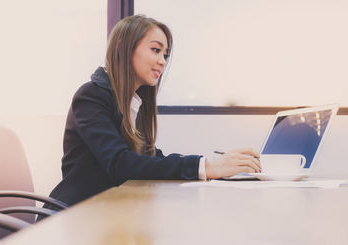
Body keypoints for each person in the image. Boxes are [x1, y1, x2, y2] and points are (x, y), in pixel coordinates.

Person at [47, 15, 261, 208]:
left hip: (110, 212)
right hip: (76, 216)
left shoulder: (133, 102)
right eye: (156, 50)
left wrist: (210, 165)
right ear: (125, 47)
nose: (162, 61)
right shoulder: (91, 96)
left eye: (165, 55)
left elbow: (150, 157)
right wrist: (206, 167)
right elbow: (120, 163)